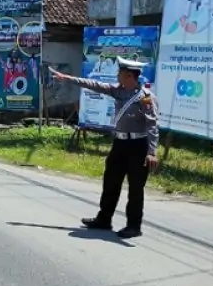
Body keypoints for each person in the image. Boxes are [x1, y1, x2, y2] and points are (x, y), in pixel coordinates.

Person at [49, 56, 159, 239]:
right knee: (110, 182)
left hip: (138, 146)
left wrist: (152, 152)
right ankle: (104, 219)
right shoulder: (118, 91)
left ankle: (133, 226)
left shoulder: (145, 98)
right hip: (120, 143)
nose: (117, 76)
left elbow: (152, 125)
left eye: (120, 74)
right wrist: (68, 78)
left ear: (130, 76)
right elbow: (94, 84)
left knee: (135, 187)